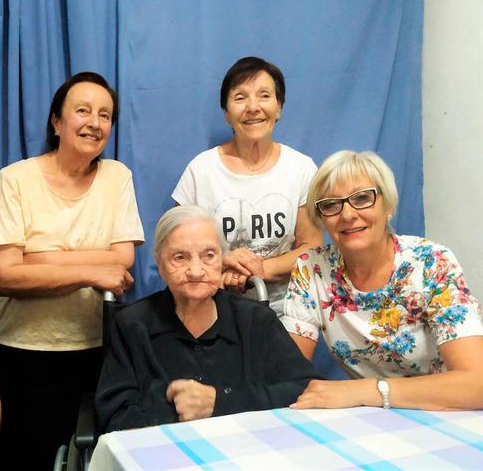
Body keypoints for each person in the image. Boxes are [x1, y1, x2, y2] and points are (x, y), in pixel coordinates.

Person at [0, 72, 144, 468]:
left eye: (105, 115)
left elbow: (122, 260)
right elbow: (4, 277)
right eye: (83, 111)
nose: (94, 122)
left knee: (92, 459)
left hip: (95, 350)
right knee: (27, 460)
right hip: (22, 352)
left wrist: (38, 260)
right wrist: (90, 271)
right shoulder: (15, 178)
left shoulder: (117, 176)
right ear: (57, 121)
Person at [282, 150, 483, 410]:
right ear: (321, 218)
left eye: (363, 198)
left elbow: (476, 384)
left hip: (447, 412)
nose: (347, 214)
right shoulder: (311, 269)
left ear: (388, 205)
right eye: (331, 204)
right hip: (374, 421)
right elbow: (286, 371)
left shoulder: (431, 262)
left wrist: (368, 390)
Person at [95, 206, 321, 433]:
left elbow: (304, 389)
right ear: (160, 264)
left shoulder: (256, 320)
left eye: (209, 256)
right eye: (180, 257)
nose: (196, 271)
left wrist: (220, 401)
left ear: (222, 259)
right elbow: (114, 415)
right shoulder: (132, 326)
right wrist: (176, 412)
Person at [172, 57, 322, 316]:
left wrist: (263, 269)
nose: (253, 107)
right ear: (226, 113)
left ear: (279, 108)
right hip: (213, 307)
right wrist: (221, 263)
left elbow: (311, 247)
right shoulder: (200, 170)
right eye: (240, 98)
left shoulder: (302, 168)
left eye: (264, 96)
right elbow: (175, 248)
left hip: (286, 310)